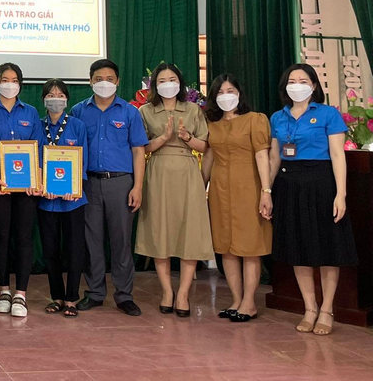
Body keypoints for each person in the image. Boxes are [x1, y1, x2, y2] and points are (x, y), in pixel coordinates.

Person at [268, 63, 358, 336]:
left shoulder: (328, 114)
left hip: (321, 183)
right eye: (291, 81)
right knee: (299, 248)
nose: (297, 85)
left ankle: (327, 309)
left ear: (314, 85)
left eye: (303, 81)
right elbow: (274, 157)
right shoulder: (278, 117)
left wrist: (340, 194)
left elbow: (338, 155)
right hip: (289, 185)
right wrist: (266, 191)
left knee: (328, 248)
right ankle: (309, 308)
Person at [71, 59, 148, 316]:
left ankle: (124, 295)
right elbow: (69, 149)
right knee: (91, 241)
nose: (104, 83)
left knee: (121, 241)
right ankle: (95, 292)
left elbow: (138, 151)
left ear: (118, 81)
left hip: (121, 183)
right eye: (98, 79)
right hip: (89, 183)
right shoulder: (79, 111)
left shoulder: (129, 112)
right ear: (90, 81)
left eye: (109, 79)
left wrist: (138, 187)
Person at [136, 63, 212, 318]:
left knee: (189, 232)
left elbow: (205, 146)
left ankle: (183, 294)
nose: (167, 84)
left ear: (180, 83)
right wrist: (163, 138)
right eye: (162, 80)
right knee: (160, 231)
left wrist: (188, 138)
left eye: (172, 79)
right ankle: (167, 291)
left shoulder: (192, 109)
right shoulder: (146, 111)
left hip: (187, 172)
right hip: (157, 173)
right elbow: (141, 148)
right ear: (154, 85)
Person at [202, 74, 272, 323]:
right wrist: (200, 186)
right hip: (220, 189)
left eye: (230, 91)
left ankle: (249, 302)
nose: (225, 96)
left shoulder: (255, 120)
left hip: (249, 187)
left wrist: (266, 191)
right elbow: (209, 157)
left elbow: (262, 156)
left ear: (240, 93)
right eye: (220, 92)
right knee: (226, 246)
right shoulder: (212, 124)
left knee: (249, 246)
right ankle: (236, 299)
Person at [0, 63, 41, 317]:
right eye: (5, 79)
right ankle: (4, 290)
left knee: (24, 238)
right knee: (1, 236)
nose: (9, 84)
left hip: (26, 187)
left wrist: (35, 179)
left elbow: (37, 149)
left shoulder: (31, 112)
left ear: (20, 84)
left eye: (14, 80)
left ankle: (20, 294)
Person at [35, 79, 88, 318]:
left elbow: (83, 161)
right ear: (43, 100)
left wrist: (75, 187)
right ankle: (56, 296)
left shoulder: (77, 126)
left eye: (60, 94)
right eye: (50, 95)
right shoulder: (38, 126)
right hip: (46, 199)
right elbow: (34, 161)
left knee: (75, 249)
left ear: (67, 99)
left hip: (73, 200)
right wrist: (40, 184)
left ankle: (71, 298)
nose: (55, 98)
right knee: (50, 250)